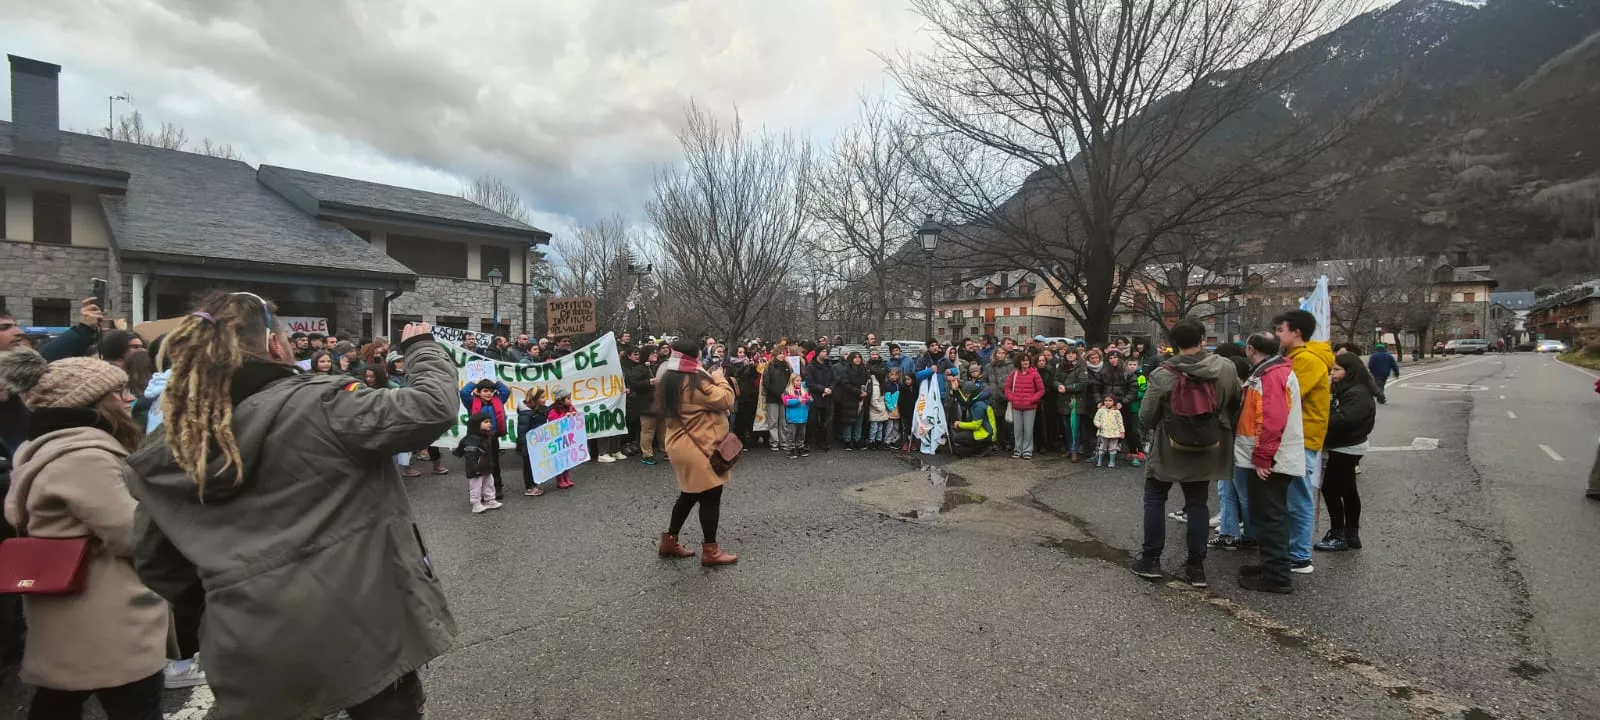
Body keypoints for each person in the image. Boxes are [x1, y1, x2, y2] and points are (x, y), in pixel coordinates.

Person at [124, 292, 460, 719]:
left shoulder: (173, 441)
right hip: (366, 626)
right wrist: (422, 348)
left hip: (248, 641)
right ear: (274, 344)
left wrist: (211, 619)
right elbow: (430, 407)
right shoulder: (324, 403)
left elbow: (156, 561)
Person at [5, 355, 169, 719]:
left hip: (75, 610)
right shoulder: (84, 458)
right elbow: (131, 533)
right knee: (135, 706)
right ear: (91, 401)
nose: (129, 399)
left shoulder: (48, 447)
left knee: (59, 700)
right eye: (118, 391)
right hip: (107, 612)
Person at [1131, 318, 1240, 589]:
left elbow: (1146, 415)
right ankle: (1196, 568)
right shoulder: (1226, 368)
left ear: (1174, 343)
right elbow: (1235, 402)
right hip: (1209, 444)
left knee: (1155, 497)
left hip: (1170, 444)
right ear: (1203, 339)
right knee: (1197, 502)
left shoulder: (1163, 373)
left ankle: (1151, 559)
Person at [1232, 331, 1304, 593]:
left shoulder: (1271, 375)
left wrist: (1264, 458)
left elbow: (1272, 419)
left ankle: (1277, 575)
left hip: (1272, 458)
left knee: (1271, 516)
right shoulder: (1271, 371)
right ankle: (1271, 564)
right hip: (1271, 455)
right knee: (1266, 515)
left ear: (1250, 349)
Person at [656, 339, 739, 566]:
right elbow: (725, 400)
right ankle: (711, 551)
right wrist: (720, 378)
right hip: (698, 447)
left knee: (689, 494)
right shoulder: (694, 380)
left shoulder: (668, 377)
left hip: (679, 444)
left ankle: (669, 541)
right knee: (711, 496)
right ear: (696, 356)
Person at [1275, 309, 1336, 575]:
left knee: (1298, 498)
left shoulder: (1307, 360)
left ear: (1296, 332)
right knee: (1291, 497)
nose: (1278, 334)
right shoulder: (1296, 357)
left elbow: (1286, 396)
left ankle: (1299, 556)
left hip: (1302, 437)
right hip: (1295, 436)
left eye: (1281, 330)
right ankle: (1292, 551)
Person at [1316, 352, 1378, 551]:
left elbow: (1344, 419)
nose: (1332, 373)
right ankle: (1351, 534)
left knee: (1330, 489)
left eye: (1337, 370)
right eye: (1332, 369)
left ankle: (1338, 534)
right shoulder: (1348, 388)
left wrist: (1322, 417)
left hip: (1347, 446)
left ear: (1349, 371)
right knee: (1348, 490)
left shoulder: (1357, 392)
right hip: (1346, 444)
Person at [460, 378, 511, 495]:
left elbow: (506, 391)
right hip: (476, 440)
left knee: (494, 463)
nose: (489, 393)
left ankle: (497, 487)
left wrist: (495, 381)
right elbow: (463, 392)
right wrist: (474, 382)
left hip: (492, 437)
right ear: (478, 392)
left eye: (491, 391)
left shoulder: (498, 401)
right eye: (485, 391)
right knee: (477, 463)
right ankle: (478, 489)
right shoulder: (471, 402)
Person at [455, 412, 504, 513]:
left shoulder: (488, 436)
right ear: (477, 424)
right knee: (476, 487)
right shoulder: (472, 440)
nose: (489, 424)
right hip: (476, 469)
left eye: (490, 421)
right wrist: (474, 468)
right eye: (486, 422)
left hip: (487, 466)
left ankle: (489, 500)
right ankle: (476, 503)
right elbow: (470, 456)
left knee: (489, 484)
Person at [624, 347, 661, 466]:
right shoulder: (639, 368)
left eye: (656, 352)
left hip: (659, 403)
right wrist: (649, 382)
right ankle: (647, 454)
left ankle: (666, 450)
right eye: (652, 353)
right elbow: (634, 384)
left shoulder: (657, 366)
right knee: (648, 430)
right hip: (646, 405)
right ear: (646, 355)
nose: (655, 354)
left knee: (662, 429)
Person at [1005, 354, 1045, 460]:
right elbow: (1007, 388)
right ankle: (1017, 450)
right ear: (1019, 362)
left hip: (1030, 407)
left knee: (1028, 430)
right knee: (1017, 430)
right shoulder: (1014, 373)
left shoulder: (1035, 373)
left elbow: (1041, 390)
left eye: (1027, 360)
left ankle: (1027, 451)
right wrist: (1012, 398)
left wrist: (1032, 399)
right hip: (1016, 406)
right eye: (1023, 360)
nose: (1025, 362)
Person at [802, 346, 838, 451]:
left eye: (826, 351)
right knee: (812, 421)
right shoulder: (811, 367)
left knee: (825, 421)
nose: (826, 353)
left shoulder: (829, 366)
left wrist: (830, 388)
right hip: (815, 396)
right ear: (818, 353)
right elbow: (809, 382)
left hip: (827, 397)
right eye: (823, 351)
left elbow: (834, 380)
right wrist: (822, 389)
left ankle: (822, 440)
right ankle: (807, 441)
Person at [516, 389, 551, 494]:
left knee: (535, 465)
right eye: (542, 397)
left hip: (536, 444)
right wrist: (525, 449)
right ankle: (530, 487)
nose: (545, 399)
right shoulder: (526, 414)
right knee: (528, 467)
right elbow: (522, 432)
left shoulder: (541, 410)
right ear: (534, 399)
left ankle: (534, 484)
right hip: (528, 446)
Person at [948, 380, 996, 458]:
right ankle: (980, 447)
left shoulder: (978, 405)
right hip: (985, 432)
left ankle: (982, 448)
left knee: (958, 438)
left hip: (985, 434)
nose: (966, 396)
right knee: (961, 435)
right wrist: (956, 391)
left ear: (970, 393)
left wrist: (959, 424)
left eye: (966, 394)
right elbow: (965, 402)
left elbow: (976, 425)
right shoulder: (976, 398)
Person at [546, 388, 580, 489]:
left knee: (566, 458)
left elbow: (575, 415)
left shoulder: (570, 407)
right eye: (568, 398)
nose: (570, 400)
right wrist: (565, 416)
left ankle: (566, 477)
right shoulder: (553, 410)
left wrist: (574, 414)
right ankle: (560, 479)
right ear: (560, 400)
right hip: (557, 438)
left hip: (567, 437)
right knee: (559, 459)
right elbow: (553, 421)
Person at [761, 348, 793, 453]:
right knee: (773, 421)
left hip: (785, 397)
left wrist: (786, 393)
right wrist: (777, 393)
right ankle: (774, 442)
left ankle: (783, 441)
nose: (782, 355)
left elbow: (791, 382)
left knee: (783, 421)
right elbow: (767, 383)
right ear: (775, 355)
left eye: (783, 353)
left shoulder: (787, 367)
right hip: (772, 397)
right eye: (780, 353)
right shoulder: (769, 367)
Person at [837, 353, 869, 451]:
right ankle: (847, 441)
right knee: (849, 421)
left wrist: (867, 392)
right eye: (855, 357)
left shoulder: (864, 370)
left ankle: (857, 440)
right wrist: (858, 392)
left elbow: (869, 383)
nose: (857, 359)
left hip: (862, 399)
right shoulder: (846, 370)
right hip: (849, 398)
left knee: (859, 421)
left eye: (859, 357)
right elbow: (845, 384)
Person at [783, 374, 812, 458]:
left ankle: (800, 447)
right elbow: (786, 402)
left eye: (800, 381)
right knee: (791, 435)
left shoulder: (804, 391)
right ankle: (790, 449)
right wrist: (797, 400)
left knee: (801, 435)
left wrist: (810, 400)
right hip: (793, 418)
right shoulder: (788, 391)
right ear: (792, 381)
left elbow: (808, 401)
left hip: (803, 418)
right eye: (797, 381)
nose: (799, 382)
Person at [1093, 394, 1125, 467]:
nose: (1108, 402)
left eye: (1110, 400)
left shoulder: (1117, 411)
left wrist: (1122, 432)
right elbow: (1096, 419)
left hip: (1114, 433)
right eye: (1106, 400)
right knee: (1102, 447)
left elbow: (1120, 422)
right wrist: (1098, 424)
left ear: (1114, 402)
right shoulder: (1100, 410)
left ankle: (1112, 462)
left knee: (1113, 448)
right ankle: (1100, 461)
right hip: (1103, 432)